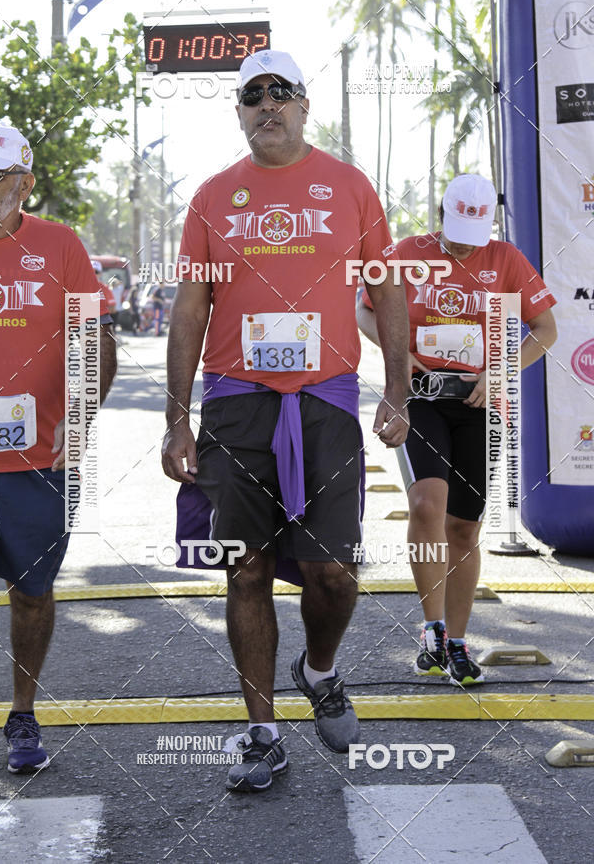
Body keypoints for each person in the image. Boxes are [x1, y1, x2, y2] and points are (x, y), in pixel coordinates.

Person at [162, 50, 409, 791]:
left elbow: (388, 290)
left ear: (304, 105)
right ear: (238, 110)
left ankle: (320, 669)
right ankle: (262, 733)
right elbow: (189, 312)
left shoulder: (351, 187)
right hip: (237, 404)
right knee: (248, 569)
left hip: (326, 401)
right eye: (252, 96)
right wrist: (179, 419)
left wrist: (396, 390)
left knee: (334, 573)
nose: (267, 105)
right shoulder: (212, 198)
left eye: (281, 93)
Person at [357, 173, 557, 686]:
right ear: (441, 214)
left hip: (478, 403)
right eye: (459, 227)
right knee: (427, 504)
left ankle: (461, 643)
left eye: (478, 229)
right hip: (423, 398)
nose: (468, 241)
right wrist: (400, 359)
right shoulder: (406, 252)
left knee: (464, 527)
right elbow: (363, 308)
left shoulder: (506, 258)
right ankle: (434, 627)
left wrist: (501, 370)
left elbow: (546, 330)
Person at [0, 123, 117, 773]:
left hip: (38, 458)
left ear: (23, 183)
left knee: (32, 592)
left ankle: (22, 714)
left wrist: (77, 422)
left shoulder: (60, 246)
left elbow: (97, 345)